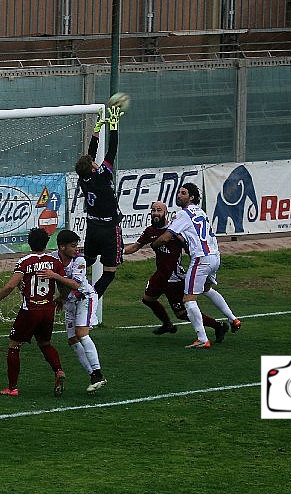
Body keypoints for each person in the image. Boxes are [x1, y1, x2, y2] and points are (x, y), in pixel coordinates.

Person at [151, 183, 242, 349]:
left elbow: (165, 237)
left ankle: (202, 338)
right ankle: (233, 318)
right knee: (207, 289)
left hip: (201, 259)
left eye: (183, 193)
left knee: (188, 300)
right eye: (179, 192)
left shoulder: (183, 214)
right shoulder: (200, 212)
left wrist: (154, 244)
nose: (179, 195)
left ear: (191, 197)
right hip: (215, 256)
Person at [123, 201, 225, 340]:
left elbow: (190, 249)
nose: (155, 213)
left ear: (166, 213)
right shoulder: (150, 231)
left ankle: (218, 326)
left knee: (182, 313)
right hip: (160, 275)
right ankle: (167, 324)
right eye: (153, 210)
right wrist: (120, 252)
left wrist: (200, 263)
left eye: (159, 210)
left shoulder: (175, 230)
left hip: (174, 278)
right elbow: (136, 246)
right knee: (148, 299)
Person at [0, 227, 67, 397]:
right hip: (48, 309)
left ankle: (12, 388)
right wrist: (61, 298)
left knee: (14, 345)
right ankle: (58, 371)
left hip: (30, 310)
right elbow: (64, 284)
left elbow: (11, 285)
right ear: (47, 242)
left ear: (28, 242)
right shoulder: (55, 262)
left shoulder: (25, 261)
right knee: (45, 343)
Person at [40, 229, 106, 393]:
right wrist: (62, 298)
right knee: (72, 340)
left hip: (85, 298)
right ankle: (93, 376)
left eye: (77, 245)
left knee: (81, 333)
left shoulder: (79, 260)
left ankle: (98, 373)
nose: (77, 249)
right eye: (73, 246)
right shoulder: (53, 258)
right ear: (62, 247)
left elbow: (76, 284)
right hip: (69, 302)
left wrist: (54, 276)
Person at [74, 101, 126, 300]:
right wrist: (113, 126)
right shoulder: (102, 175)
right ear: (93, 167)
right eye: (94, 162)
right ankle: (90, 298)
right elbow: (112, 150)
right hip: (109, 229)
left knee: (86, 261)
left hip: (92, 227)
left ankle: (71, 283)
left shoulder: (83, 178)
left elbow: (89, 156)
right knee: (110, 271)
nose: (96, 161)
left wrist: (96, 131)